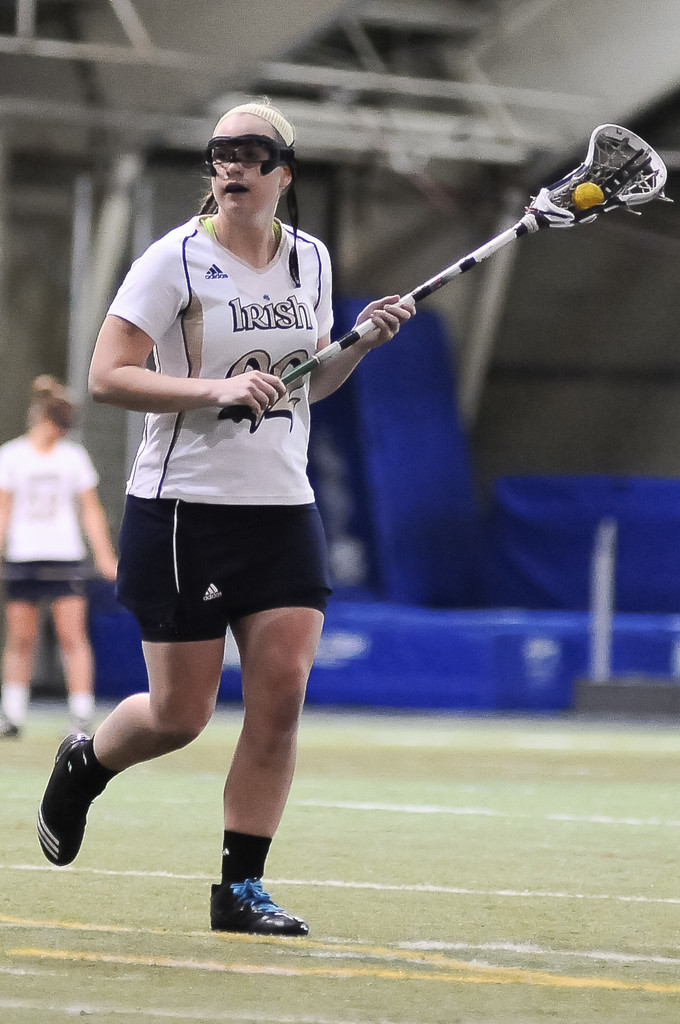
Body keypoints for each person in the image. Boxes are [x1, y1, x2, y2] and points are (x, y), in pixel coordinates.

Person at [37, 99, 414, 935]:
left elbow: (309, 380)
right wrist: (214, 388)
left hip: (283, 508)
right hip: (183, 512)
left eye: (253, 152)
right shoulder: (170, 261)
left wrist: (358, 344)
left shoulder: (310, 260)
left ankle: (239, 890)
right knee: (181, 716)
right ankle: (85, 763)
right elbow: (107, 375)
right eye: (220, 152)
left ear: (285, 170)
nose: (233, 164)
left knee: (281, 700)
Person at [0, 375, 118, 738]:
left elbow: (90, 510)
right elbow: (4, 510)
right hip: (24, 556)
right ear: (42, 419)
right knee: (20, 637)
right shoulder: (12, 455)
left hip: (64, 556)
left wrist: (104, 557)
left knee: (72, 635)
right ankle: (12, 713)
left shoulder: (74, 458)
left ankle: (81, 712)